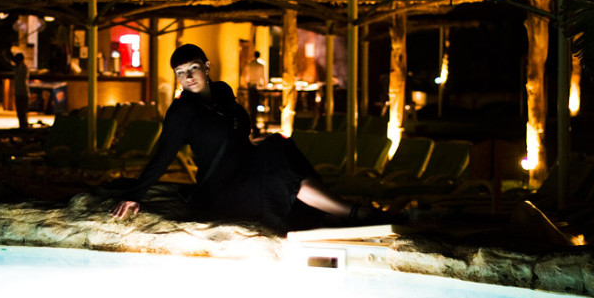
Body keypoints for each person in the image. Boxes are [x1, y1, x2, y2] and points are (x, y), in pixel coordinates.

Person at [111, 44, 400, 233]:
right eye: (180, 73)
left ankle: (339, 211)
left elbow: (238, 134)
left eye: (193, 68)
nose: (188, 76)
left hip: (246, 169)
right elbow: (163, 155)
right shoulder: (181, 111)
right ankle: (353, 213)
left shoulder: (223, 93)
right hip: (222, 187)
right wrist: (134, 195)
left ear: (206, 66)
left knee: (278, 144)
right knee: (279, 169)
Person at [243, 51, 265, 136]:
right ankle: (254, 124)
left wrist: (246, 84)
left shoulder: (249, 65)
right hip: (257, 87)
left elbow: (246, 76)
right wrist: (263, 85)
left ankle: (252, 123)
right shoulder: (260, 66)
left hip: (250, 86)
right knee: (255, 105)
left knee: (251, 106)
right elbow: (263, 77)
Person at [13, 52, 30, 131]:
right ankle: (22, 126)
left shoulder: (23, 68)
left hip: (23, 93)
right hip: (18, 93)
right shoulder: (17, 68)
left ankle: (24, 126)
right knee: (19, 112)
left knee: (23, 111)